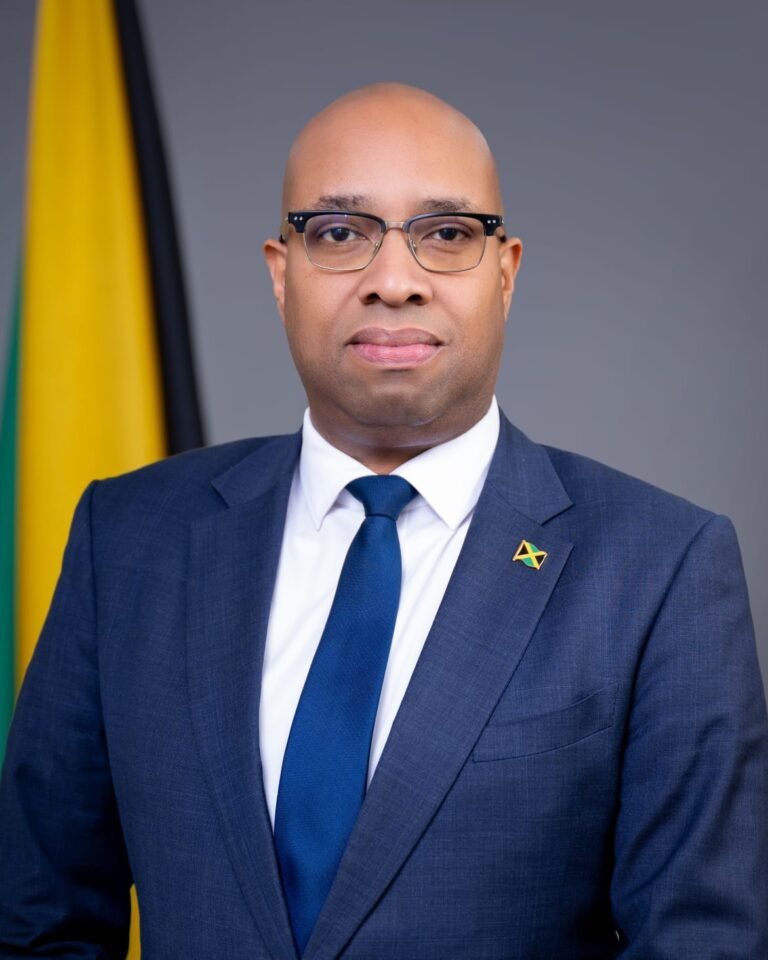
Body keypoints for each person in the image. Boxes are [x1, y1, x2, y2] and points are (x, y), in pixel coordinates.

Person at [1, 82, 766, 960]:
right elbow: (38, 925)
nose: (394, 282)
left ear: (506, 272)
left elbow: (702, 943)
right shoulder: (130, 539)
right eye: (339, 233)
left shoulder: (661, 568)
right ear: (280, 273)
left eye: (447, 233)